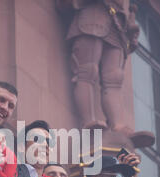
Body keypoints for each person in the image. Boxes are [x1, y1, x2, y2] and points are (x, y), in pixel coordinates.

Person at [56, 0, 140, 130]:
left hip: (116, 23)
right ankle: (88, 121)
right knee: (87, 71)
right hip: (91, 17)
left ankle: (117, 126)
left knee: (114, 79)